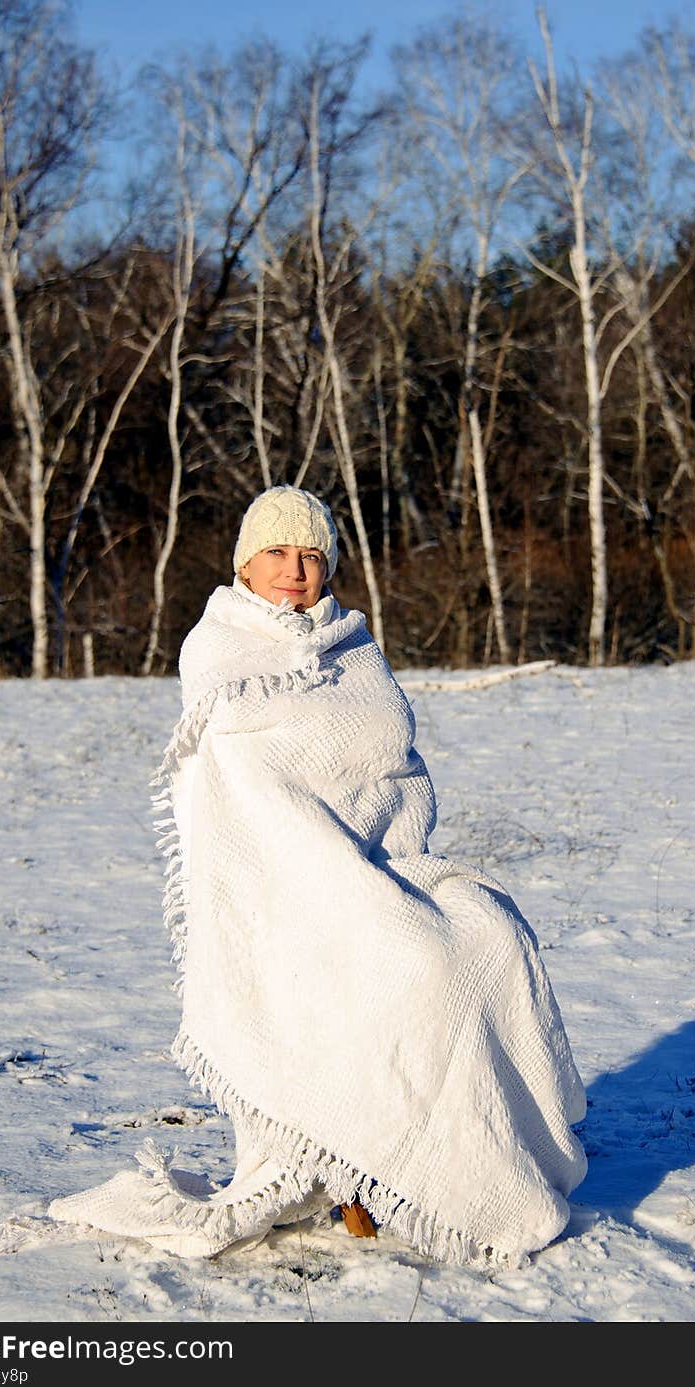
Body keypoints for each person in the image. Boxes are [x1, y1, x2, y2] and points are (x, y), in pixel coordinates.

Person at [47, 485, 587, 1269]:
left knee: (492, 933)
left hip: (380, 855)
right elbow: (246, 785)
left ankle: (492, 1155)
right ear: (246, 563)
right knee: (421, 961)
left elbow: (389, 761)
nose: (295, 571)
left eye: (311, 556)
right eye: (278, 554)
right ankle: (350, 1149)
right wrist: (334, 869)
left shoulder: (352, 644)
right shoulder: (221, 648)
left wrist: (384, 855)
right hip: (282, 879)